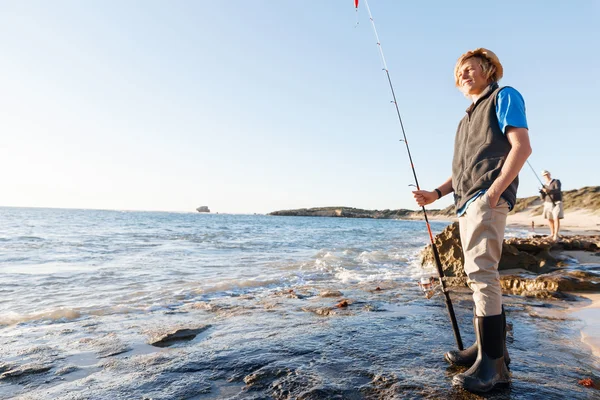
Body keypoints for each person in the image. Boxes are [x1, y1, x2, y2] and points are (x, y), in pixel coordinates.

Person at [412, 48, 532, 393]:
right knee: (477, 274)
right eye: (460, 72)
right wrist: (436, 193)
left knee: (482, 273)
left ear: (489, 69)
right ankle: (488, 350)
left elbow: (521, 147)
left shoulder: (504, 96)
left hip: (486, 199)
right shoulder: (466, 118)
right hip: (467, 202)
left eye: (471, 68)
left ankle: (494, 368)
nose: (465, 75)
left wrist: (493, 193)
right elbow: (462, 172)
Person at [540, 170, 563, 241]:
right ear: (543, 176)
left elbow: (558, 190)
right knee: (549, 218)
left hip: (557, 202)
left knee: (556, 217)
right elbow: (542, 197)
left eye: (547, 174)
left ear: (549, 174)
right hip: (547, 203)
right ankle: (552, 233)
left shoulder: (556, 181)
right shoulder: (544, 185)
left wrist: (548, 190)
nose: (546, 176)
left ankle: (556, 234)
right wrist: (541, 192)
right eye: (544, 175)